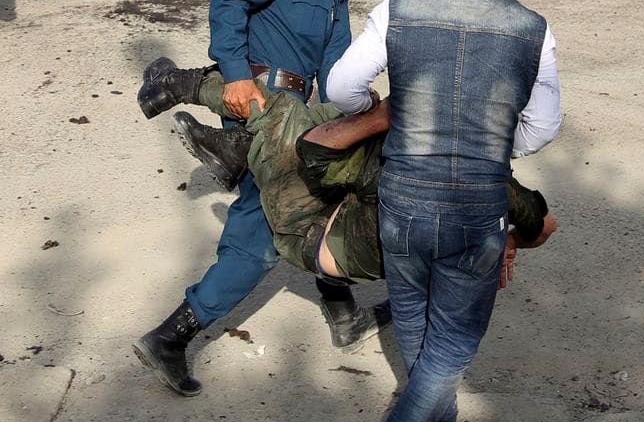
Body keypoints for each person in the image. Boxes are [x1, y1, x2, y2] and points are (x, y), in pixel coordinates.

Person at [325, 0, 562, 422]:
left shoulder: (397, 11)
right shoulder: (534, 29)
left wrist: (378, 115)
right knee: (452, 345)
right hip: (474, 208)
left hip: (402, 198)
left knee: (414, 320)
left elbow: (342, 87)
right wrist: (483, 136)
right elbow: (541, 129)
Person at [131, 0, 386, 398]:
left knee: (329, 192)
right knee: (260, 233)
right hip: (260, 100)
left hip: (299, 107)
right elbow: (228, 2)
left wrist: (355, 107)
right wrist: (235, 73)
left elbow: (335, 56)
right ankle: (171, 336)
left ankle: (342, 317)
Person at [168, 73, 558, 282]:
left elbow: (314, 149)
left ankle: (182, 85)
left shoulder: (403, 170)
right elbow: (545, 227)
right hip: (352, 226)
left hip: (305, 228)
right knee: (330, 116)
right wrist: (508, 235)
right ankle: (239, 150)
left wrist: (383, 114)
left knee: (285, 110)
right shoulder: (493, 184)